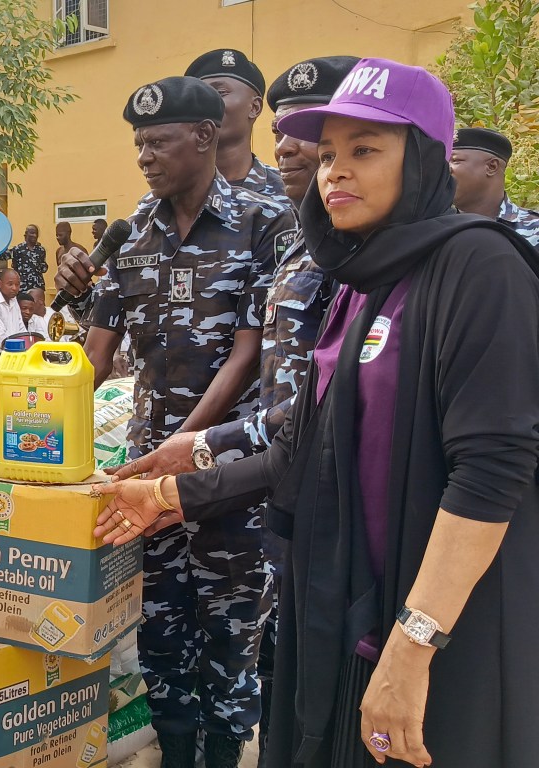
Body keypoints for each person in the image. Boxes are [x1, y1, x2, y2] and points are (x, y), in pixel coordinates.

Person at [94, 59, 539, 768]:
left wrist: (412, 646)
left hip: (438, 626)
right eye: (328, 153)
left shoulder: (478, 267)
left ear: (424, 157)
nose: (335, 171)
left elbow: (492, 472)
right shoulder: (360, 283)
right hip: (345, 599)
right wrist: (171, 491)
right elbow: (307, 449)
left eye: (365, 150)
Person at [56, 76, 296, 768]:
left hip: (226, 478)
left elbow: (250, 355)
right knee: (159, 639)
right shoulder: (130, 235)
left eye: (159, 141)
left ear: (205, 136)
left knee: (229, 644)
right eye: (138, 143)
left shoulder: (262, 224)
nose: (145, 156)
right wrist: (37, 411)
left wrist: (183, 447)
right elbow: (95, 357)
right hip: (142, 481)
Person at [127, 55, 360, 768]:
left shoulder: (288, 228)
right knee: (164, 630)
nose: (294, 147)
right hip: (192, 461)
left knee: (246, 644)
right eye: (292, 131)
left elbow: (275, 384)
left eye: (312, 132)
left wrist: (196, 446)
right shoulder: (147, 225)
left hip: (267, 483)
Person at [185, 49, 289, 206]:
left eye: (220, 93)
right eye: (197, 97)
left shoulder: (290, 192)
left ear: (254, 107)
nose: (205, 104)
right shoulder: (172, 195)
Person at [449, 126, 539, 247]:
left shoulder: (535, 229)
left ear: (492, 167)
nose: (445, 169)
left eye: (455, 160)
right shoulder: (437, 228)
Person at [10, 224, 48, 291]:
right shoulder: (18, 249)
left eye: (36, 233)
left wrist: (42, 266)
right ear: (26, 234)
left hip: (37, 286)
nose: (35, 235)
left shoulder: (41, 250)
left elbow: (43, 267)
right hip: (23, 287)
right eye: (32, 233)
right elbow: (14, 266)